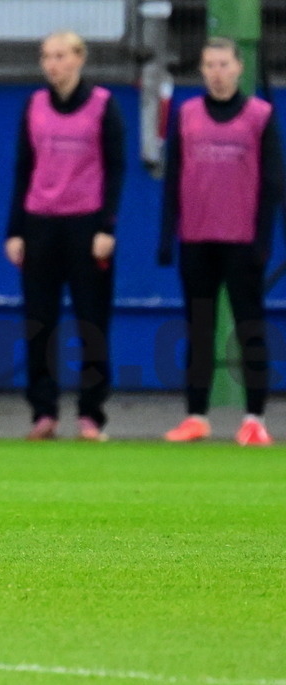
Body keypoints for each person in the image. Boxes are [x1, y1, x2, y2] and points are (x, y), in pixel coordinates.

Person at [158, 37, 285, 446]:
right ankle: (196, 415)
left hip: (242, 241)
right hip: (196, 239)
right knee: (199, 330)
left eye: (224, 63)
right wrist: (167, 236)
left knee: (249, 328)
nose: (216, 71)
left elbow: (272, 184)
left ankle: (254, 418)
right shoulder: (187, 114)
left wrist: (263, 241)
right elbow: (173, 178)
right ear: (201, 69)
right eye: (209, 64)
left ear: (239, 67)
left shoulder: (260, 116)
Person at [4, 31, 125, 441]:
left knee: (92, 320)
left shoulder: (103, 106)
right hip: (40, 224)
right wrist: (15, 230)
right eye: (46, 56)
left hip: (87, 226)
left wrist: (107, 227)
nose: (52, 64)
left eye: (60, 56)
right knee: (40, 321)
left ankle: (91, 413)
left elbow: (116, 169)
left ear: (79, 59)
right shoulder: (33, 106)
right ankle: (44, 412)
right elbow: (23, 169)